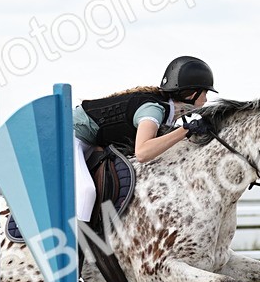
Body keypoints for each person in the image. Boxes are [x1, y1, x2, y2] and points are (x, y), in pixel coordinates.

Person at [71, 55, 216, 221]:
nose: (206, 99)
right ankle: (76, 245)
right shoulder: (153, 110)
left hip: (89, 141)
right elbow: (142, 152)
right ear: (192, 94)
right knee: (87, 192)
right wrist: (185, 130)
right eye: (205, 92)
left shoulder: (167, 110)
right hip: (70, 136)